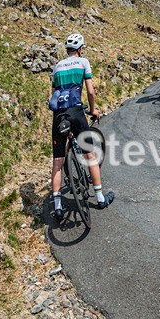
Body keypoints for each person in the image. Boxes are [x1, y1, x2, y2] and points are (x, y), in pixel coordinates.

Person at [49, 33, 114, 221]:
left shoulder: (57, 67)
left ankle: (58, 207)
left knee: (57, 164)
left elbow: (53, 95)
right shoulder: (83, 62)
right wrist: (93, 110)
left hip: (59, 116)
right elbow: (91, 92)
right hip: (77, 113)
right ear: (80, 49)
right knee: (90, 155)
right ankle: (100, 198)